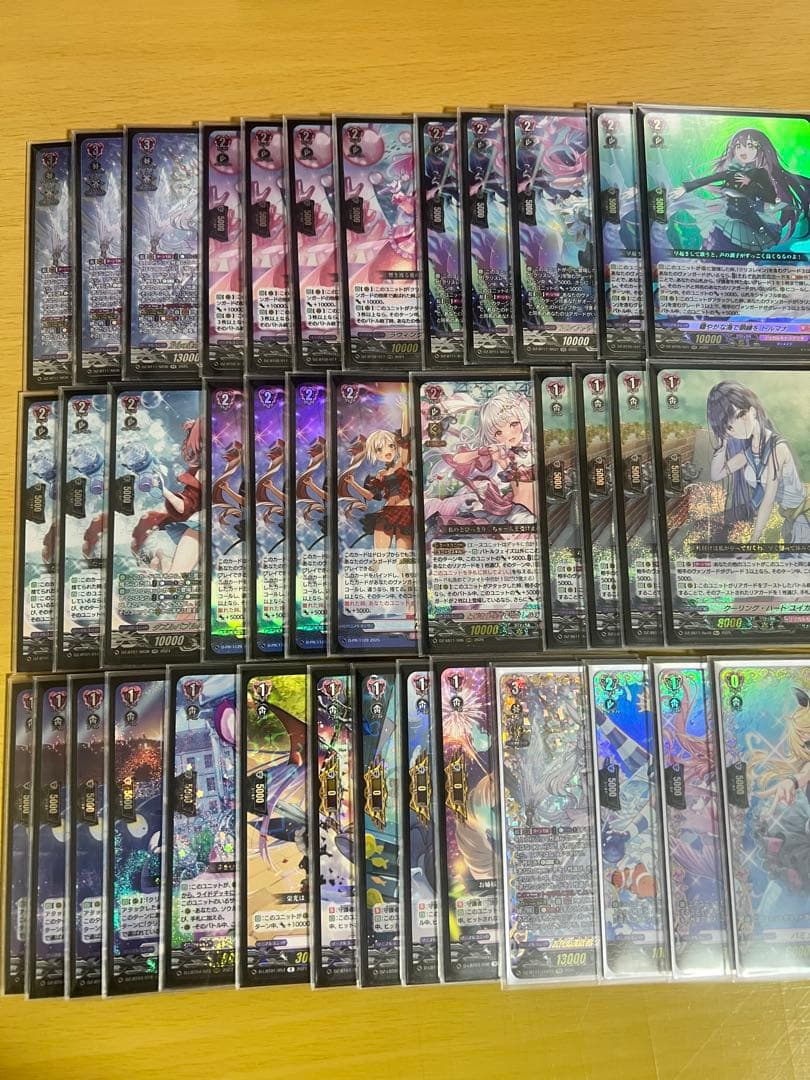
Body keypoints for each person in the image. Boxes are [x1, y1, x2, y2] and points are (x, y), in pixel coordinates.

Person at [707, 380, 810, 546]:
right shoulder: (750, 451)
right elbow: (716, 474)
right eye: (728, 426)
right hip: (787, 517)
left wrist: (753, 543)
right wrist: (723, 442)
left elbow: (768, 500)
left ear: (753, 411)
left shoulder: (777, 448)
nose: (736, 428)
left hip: (802, 519)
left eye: (740, 415)